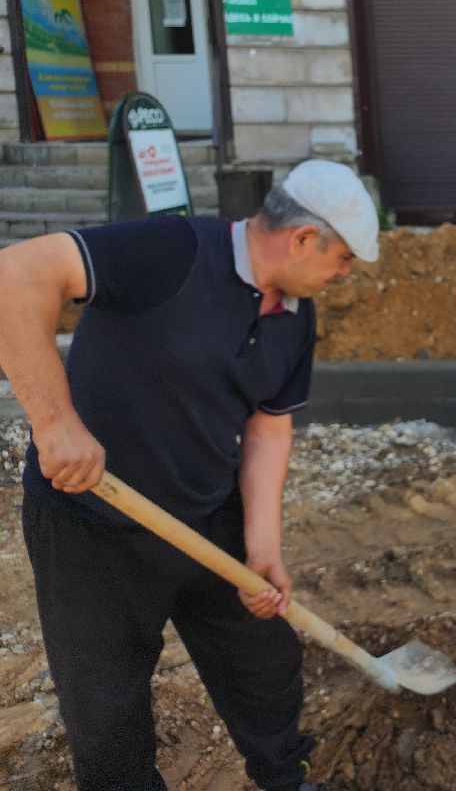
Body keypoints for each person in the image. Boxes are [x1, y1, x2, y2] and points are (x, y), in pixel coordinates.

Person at [0, 159, 380, 791]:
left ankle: (287, 778)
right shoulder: (171, 250)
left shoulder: (295, 317)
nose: (344, 274)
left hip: (205, 514)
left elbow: (267, 426)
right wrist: (55, 421)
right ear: (304, 238)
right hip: (94, 526)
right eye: (343, 258)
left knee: (263, 662)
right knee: (108, 708)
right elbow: (16, 273)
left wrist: (261, 546)